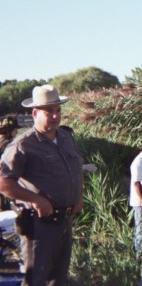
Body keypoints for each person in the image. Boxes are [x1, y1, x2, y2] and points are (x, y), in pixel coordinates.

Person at [0, 84, 84, 285]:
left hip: (65, 220)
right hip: (39, 225)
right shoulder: (23, 145)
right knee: (37, 279)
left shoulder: (65, 138)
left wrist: (78, 197)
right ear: (35, 113)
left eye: (58, 111)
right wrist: (36, 200)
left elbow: (75, 169)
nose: (55, 116)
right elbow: (3, 182)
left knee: (58, 279)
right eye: (49, 112)